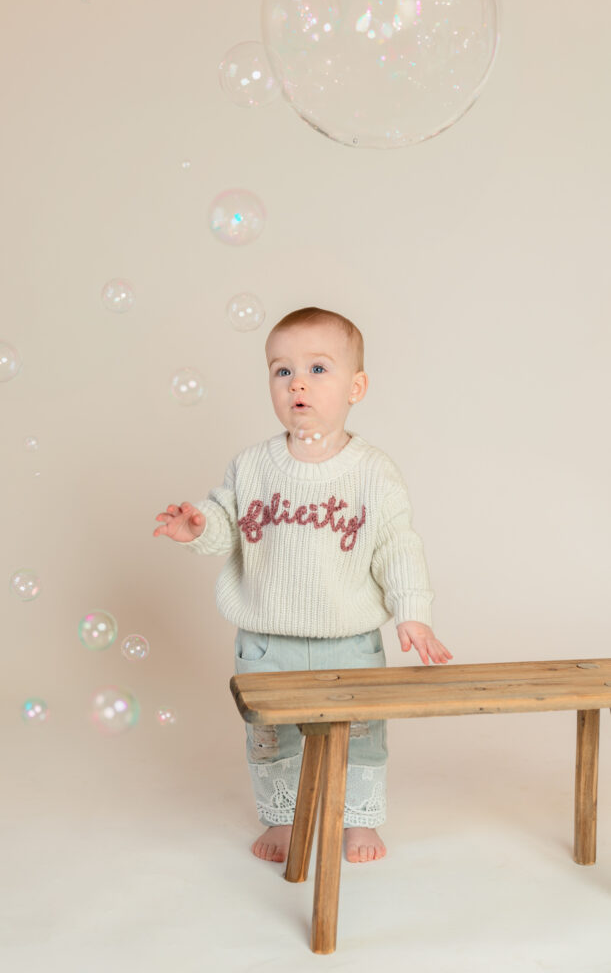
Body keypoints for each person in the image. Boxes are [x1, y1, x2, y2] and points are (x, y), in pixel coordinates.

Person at [154, 306, 452, 864]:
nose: (298, 384)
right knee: (273, 741)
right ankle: (284, 819)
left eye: (318, 369)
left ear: (356, 386)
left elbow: (397, 545)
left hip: (350, 641)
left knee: (361, 736)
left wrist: (412, 611)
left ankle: (358, 821)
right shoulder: (251, 467)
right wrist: (199, 526)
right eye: (281, 370)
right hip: (268, 642)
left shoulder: (373, 472)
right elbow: (225, 523)